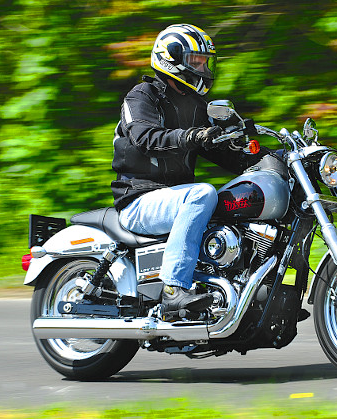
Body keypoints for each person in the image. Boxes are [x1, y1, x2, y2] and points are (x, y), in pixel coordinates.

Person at [111, 24, 262, 313]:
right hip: (139, 200)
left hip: (172, 199)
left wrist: (271, 159)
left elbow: (222, 153)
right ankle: (172, 289)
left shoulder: (195, 105)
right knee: (203, 194)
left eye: (205, 62)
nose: (203, 68)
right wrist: (192, 136)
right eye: (197, 61)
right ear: (171, 58)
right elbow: (145, 137)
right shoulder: (141, 96)